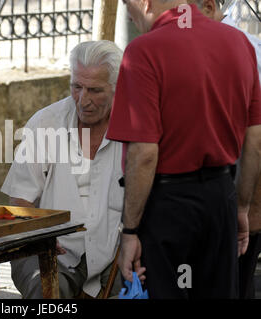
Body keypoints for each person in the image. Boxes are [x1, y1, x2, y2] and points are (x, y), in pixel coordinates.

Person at [107, 0, 261, 299]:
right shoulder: (239, 42)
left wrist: (130, 231)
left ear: (143, 2)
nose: (128, 12)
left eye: (127, 3)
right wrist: (241, 207)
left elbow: (144, 154)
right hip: (221, 197)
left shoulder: (144, 51)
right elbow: (254, 139)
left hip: (169, 205)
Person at [1, 40, 124, 298]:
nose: (83, 100)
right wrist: (38, 234)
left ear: (118, 87)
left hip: (112, 248)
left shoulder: (136, 129)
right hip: (47, 246)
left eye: (95, 90)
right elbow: (20, 199)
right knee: (44, 290)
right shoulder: (45, 123)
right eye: (76, 87)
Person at [188, 0, 261, 299]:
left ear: (207, 6)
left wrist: (245, 207)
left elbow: (255, 139)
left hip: (233, 192)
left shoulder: (245, 48)